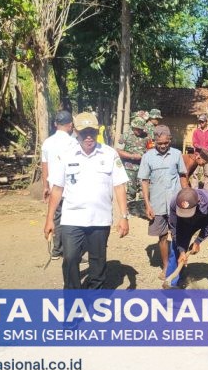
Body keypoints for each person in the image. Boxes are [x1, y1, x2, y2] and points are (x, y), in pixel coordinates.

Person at [43, 112, 129, 289]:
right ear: (75, 131)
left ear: (97, 131)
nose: (88, 137)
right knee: (71, 259)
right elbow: (57, 189)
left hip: (100, 219)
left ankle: (94, 298)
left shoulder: (109, 154)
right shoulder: (65, 155)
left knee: (98, 262)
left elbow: (120, 185)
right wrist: (49, 219)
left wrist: (124, 216)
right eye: (84, 132)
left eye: (92, 132)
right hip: (72, 218)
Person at [138, 125, 188, 279]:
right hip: (157, 203)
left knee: (179, 235)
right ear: (154, 142)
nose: (163, 146)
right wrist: (147, 204)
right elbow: (144, 181)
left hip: (175, 203)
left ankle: (179, 265)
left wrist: (185, 196)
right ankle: (166, 266)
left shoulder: (177, 154)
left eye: (166, 143)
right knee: (162, 236)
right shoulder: (148, 157)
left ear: (170, 141)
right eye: (160, 144)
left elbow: (182, 175)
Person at [166, 187, 208, 290]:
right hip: (185, 224)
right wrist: (181, 250)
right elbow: (174, 228)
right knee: (175, 251)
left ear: (198, 202)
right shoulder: (174, 202)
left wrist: (198, 241)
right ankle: (171, 284)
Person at [40, 110, 77, 259]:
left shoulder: (47, 142)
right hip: (69, 186)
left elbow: (44, 166)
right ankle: (69, 251)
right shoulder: (73, 142)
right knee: (70, 218)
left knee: (56, 216)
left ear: (55, 124)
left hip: (54, 185)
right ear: (70, 125)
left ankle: (56, 249)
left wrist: (46, 186)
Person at [115, 117, 149, 208]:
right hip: (129, 167)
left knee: (143, 189)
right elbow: (118, 151)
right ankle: (130, 209)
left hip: (143, 167)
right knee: (131, 190)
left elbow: (151, 149)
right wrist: (132, 156)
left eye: (140, 129)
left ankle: (142, 208)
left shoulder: (146, 136)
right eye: (137, 129)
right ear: (133, 127)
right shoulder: (125, 136)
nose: (139, 131)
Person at [191, 114, 208, 189]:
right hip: (197, 155)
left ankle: (206, 190)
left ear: (206, 122)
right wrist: (200, 148)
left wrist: (204, 150)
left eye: (202, 122)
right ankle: (195, 189)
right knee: (195, 173)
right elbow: (194, 142)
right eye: (200, 122)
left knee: (207, 174)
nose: (201, 123)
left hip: (207, 156)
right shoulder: (196, 132)